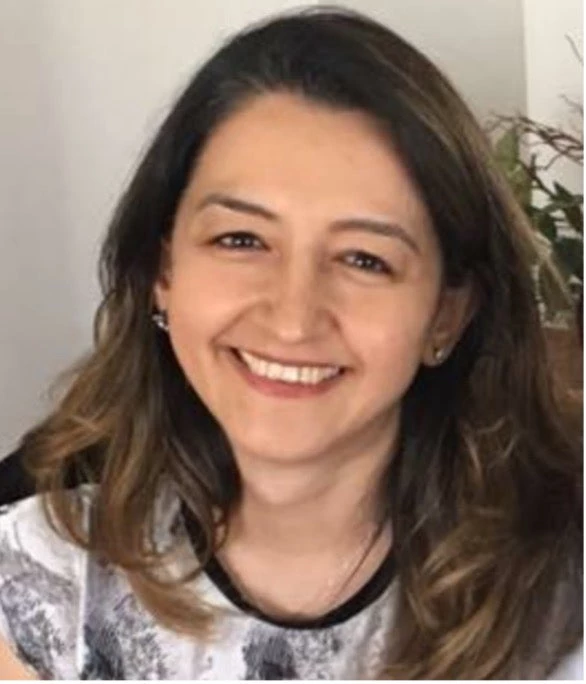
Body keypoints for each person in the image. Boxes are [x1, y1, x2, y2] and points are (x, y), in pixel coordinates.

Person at [0, 6, 582, 680]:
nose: (293, 319)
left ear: (446, 315)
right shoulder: (39, 571)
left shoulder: (561, 585)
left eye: (365, 259)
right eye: (241, 240)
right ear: (164, 272)